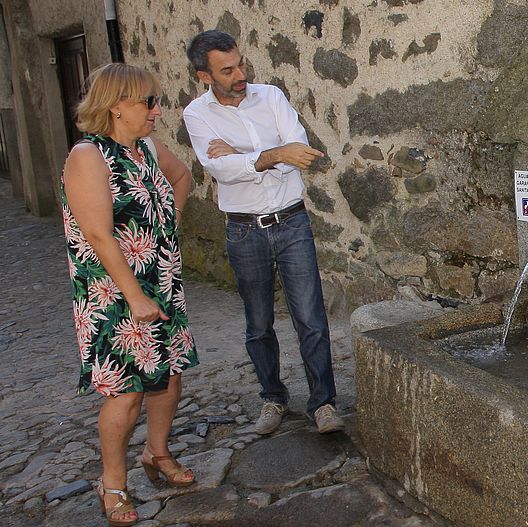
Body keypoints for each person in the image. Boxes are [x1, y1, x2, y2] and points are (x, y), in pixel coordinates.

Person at [183, 30, 344, 435]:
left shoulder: (271, 96)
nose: (240, 74)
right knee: (258, 323)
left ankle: (323, 403)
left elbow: (299, 153)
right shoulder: (196, 114)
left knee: (311, 318)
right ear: (204, 76)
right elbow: (220, 170)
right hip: (244, 230)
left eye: (240, 63)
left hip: (292, 222)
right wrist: (272, 155)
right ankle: (273, 398)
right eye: (227, 70)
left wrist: (244, 157)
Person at [61, 63, 199, 527]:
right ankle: (113, 483)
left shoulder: (149, 149)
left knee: (169, 376)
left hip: (162, 282)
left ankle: (156, 452)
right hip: (115, 295)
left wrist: (169, 225)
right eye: (148, 102)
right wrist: (136, 297)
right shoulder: (88, 156)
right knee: (127, 393)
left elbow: (183, 178)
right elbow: (99, 234)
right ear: (116, 105)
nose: (157, 110)